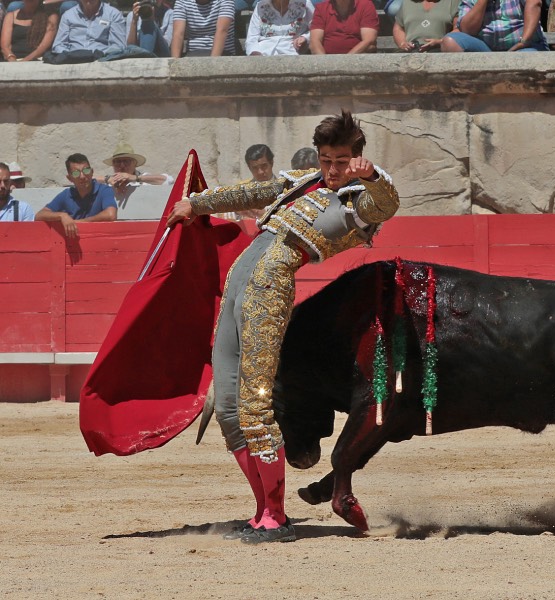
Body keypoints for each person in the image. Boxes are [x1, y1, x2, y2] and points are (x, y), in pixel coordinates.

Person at [164, 110, 400, 544]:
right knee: (230, 407)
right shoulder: (303, 180)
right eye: (326, 159)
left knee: (255, 404)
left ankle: (276, 516)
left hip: (269, 288)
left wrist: (372, 177)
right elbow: (251, 190)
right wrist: (194, 203)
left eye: (341, 160)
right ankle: (261, 513)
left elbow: (387, 203)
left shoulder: (358, 200)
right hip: (240, 281)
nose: (332, 169)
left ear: (357, 158)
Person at [35, 153, 117, 238]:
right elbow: (39, 215)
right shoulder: (66, 194)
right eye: (76, 173)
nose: (82, 176)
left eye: (86, 170)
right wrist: (62, 216)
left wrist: (81, 222)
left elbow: (111, 215)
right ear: (69, 178)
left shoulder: (104, 190)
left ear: (92, 172)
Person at [441, 0, 549, 51]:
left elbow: (534, 3)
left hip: (525, 46)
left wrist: (524, 41)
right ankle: (469, 93)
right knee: (450, 42)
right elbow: (467, 30)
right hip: (486, 50)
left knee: (527, 59)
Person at [96, 142, 175, 203]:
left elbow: (169, 180)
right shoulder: (108, 183)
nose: (122, 165)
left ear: (135, 164)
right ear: (113, 165)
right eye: (118, 162)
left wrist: (135, 178)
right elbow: (86, 180)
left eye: (126, 161)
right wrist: (107, 179)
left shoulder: (143, 180)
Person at [50, 0, 125, 59]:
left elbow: (118, 46)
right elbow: (58, 45)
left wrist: (99, 54)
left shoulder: (113, 14)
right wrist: (70, 56)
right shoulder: (68, 16)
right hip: (73, 61)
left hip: (101, 60)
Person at [245, 0, 314, 55]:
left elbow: (316, 30)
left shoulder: (304, 5)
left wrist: (305, 38)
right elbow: (252, 38)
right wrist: (255, 53)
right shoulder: (260, 6)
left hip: (292, 53)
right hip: (263, 54)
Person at [309, 0, 378, 54]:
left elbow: (369, 41)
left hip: (358, 61)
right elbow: (315, 42)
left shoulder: (366, 5)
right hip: (326, 64)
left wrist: (345, 62)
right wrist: (325, 64)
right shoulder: (321, 8)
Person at [171, 0, 235, 57]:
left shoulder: (226, 1)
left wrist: (212, 63)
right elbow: (178, 34)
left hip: (222, 53)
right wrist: (175, 63)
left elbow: (222, 30)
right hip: (193, 53)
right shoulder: (182, 2)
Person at [392, 0, 458, 52]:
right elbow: (398, 27)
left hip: (439, 50)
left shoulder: (452, 2)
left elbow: (458, 28)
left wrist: (440, 41)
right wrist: (402, 43)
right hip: (411, 51)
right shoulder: (407, 2)